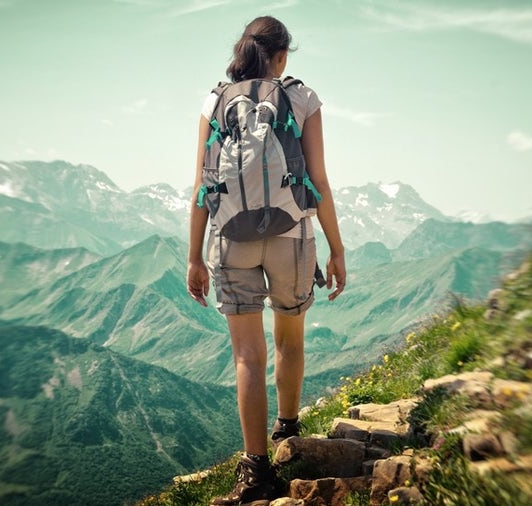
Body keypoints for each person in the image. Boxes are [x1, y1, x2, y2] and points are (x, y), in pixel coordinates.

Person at [186, 15, 346, 505]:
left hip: (229, 238)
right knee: (289, 339)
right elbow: (317, 180)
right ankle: (289, 433)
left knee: (246, 357)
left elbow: (199, 187)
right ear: (281, 57)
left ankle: (255, 472)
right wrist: (336, 248)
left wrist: (194, 257)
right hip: (290, 235)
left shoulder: (214, 102)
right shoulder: (301, 99)